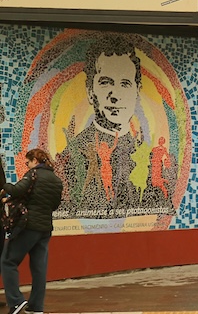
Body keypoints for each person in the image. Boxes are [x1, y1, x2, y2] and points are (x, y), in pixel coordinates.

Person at [56, 34, 175, 219]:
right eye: (105, 83)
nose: (115, 95)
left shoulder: (148, 156)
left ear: (137, 90)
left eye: (125, 83)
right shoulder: (73, 155)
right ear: (90, 91)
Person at [2, 147, 64, 314]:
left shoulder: (33, 175)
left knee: (8, 261)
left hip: (28, 227)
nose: (27, 166)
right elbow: (55, 205)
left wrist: (3, 186)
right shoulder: (57, 180)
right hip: (45, 228)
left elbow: (16, 190)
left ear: (35, 161)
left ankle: (16, 301)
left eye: (28, 162)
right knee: (39, 268)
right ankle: (36, 306)